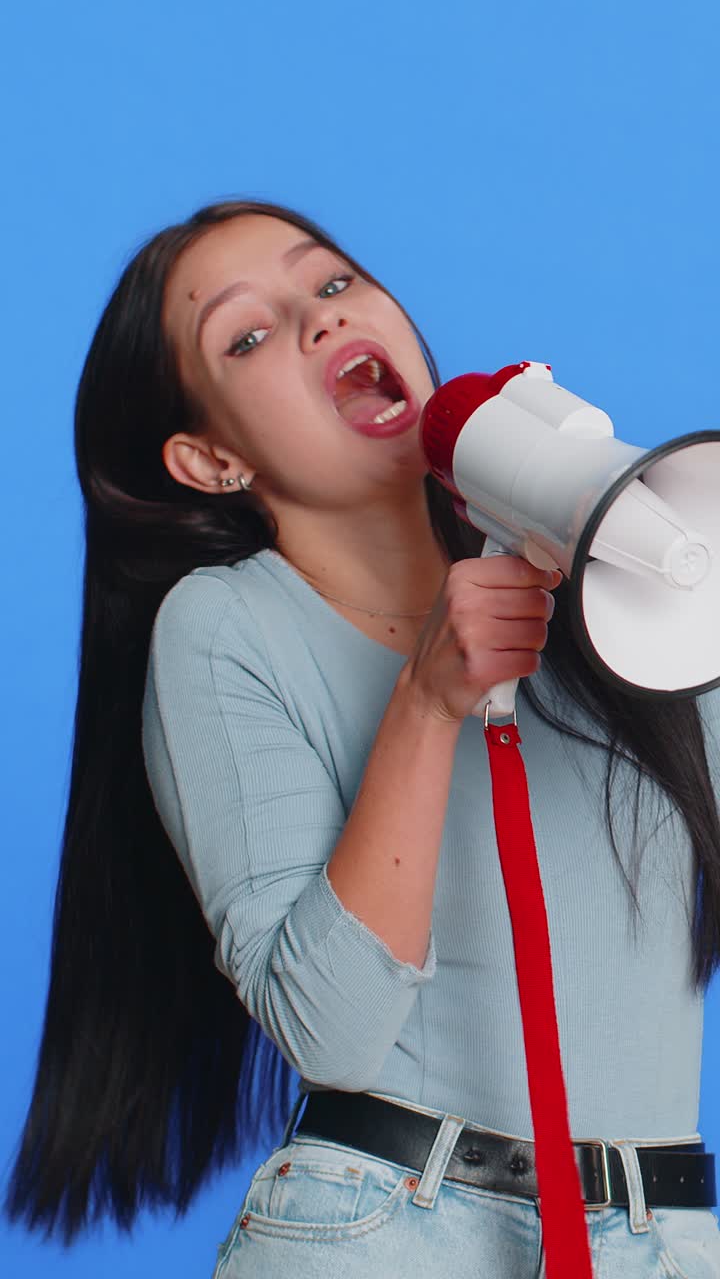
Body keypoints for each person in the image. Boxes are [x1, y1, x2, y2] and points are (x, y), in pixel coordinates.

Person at [6, 198, 720, 1278]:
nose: (319, 321)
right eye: (247, 335)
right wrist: (427, 699)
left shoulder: (601, 582)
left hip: (663, 1238)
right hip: (391, 1230)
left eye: (333, 284)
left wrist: (640, 543)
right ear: (209, 460)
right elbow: (331, 1031)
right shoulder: (228, 628)